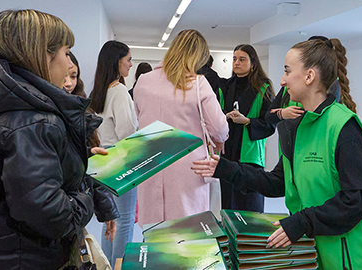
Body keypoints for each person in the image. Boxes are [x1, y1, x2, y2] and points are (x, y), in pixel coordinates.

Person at [192, 38, 362, 270]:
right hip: (315, 254)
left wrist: (302, 221)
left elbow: (357, 199)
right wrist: (226, 168)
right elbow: (279, 182)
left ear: (309, 76)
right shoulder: (300, 126)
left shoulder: (344, 127)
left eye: (287, 71)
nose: (283, 80)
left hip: (352, 259)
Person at [0, 9, 116, 270]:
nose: (71, 65)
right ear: (44, 55)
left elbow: (16, 177)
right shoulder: (35, 120)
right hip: (13, 257)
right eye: (66, 53)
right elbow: (50, 215)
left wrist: (76, 161)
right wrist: (87, 193)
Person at [133, 29, 228, 226]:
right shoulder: (198, 83)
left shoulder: (143, 81)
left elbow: (139, 118)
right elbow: (219, 128)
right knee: (189, 233)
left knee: (153, 232)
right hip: (187, 169)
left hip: (150, 164)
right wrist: (218, 139)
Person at [89, 40, 138, 269]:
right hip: (122, 163)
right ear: (116, 63)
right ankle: (120, 266)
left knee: (109, 220)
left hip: (102, 163)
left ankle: (107, 265)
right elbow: (127, 133)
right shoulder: (119, 91)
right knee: (124, 220)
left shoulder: (98, 91)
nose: (131, 64)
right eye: (128, 60)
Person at [64, 51, 119, 244]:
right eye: (64, 75)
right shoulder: (45, 116)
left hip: (73, 211)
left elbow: (85, 162)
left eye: (73, 76)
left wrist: (106, 208)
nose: (69, 83)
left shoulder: (79, 108)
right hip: (62, 212)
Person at [219, 44, 275, 212]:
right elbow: (216, 115)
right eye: (234, 59)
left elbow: (270, 124)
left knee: (251, 207)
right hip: (227, 154)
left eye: (242, 59)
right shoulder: (225, 87)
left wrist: (247, 121)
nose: (236, 63)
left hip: (250, 157)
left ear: (253, 63)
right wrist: (225, 116)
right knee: (228, 206)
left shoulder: (263, 88)